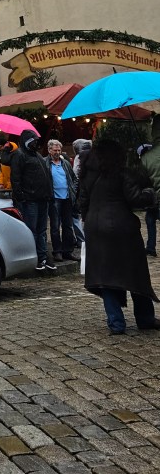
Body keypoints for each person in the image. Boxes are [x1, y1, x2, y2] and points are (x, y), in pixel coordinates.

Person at [78, 137, 160, 335]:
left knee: (105, 275)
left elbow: (82, 202)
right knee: (135, 273)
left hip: (95, 228)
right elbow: (136, 199)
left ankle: (116, 322)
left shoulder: (87, 174)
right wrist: (149, 191)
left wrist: (88, 220)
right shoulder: (121, 173)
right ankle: (145, 318)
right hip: (122, 229)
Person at [10, 131, 55, 272]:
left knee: (42, 230)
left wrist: (49, 194)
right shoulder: (19, 155)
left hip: (42, 198)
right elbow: (15, 178)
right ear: (27, 142)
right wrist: (21, 196)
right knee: (32, 230)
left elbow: (46, 175)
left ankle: (43, 257)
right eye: (33, 141)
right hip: (30, 199)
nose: (36, 143)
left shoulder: (37, 155)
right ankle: (35, 258)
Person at [43, 139, 77, 261]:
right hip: (54, 199)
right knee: (55, 227)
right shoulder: (45, 163)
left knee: (68, 226)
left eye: (59, 150)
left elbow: (74, 179)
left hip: (67, 198)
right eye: (55, 150)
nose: (57, 152)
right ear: (49, 150)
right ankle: (57, 251)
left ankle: (68, 251)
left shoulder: (65, 163)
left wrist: (73, 190)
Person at [140, 116, 160, 257]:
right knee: (150, 218)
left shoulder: (147, 157)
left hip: (154, 198)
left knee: (150, 219)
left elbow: (143, 181)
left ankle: (151, 246)